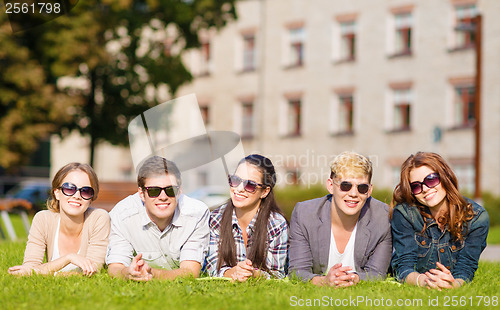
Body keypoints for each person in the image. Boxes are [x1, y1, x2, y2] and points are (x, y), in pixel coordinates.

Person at [289, 151, 392, 286]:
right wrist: (324, 281)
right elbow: (297, 271)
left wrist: (355, 279)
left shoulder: (383, 217)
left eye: (362, 188)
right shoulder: (305, 214)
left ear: (369, 191)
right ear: (331, 186)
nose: (353, 193)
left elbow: (377, 273)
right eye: (345, 186)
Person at [391, 152, 489, 289]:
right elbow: (404, 266)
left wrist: (453, 284)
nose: (425, 189)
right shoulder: (405, 214)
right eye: (416, 186)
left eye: (430, 180)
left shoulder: (476, 217)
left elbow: (467, 266)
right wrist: (424, 281)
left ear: (445, 176)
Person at [106, 156, 209, 281]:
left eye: (170, 190)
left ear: (179, 192)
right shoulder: (122, 214)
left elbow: (190, 272)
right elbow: (115, 267)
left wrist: (151, 273)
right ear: (141, 194)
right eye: (154, 191)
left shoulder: (196, 214)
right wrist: (128, 273)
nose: (163, 197)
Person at [8, 163, 110, 276]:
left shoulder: (99, 218)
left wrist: (45, 273)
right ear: (57, 193)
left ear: (91, 198)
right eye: (69, 188)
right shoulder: (43, 219)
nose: (77, 196)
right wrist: (68, 258)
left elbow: (93, 270)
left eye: (85, 191)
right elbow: (29, 266)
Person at [205, 154, 288, 281]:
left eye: (250, 185)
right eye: (235, 180)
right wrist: (232, 272)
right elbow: (213, 268)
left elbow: (277, 274)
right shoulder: (216, 218)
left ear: (265, 191)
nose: (239, 189)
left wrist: (252, 274)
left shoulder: (276, 223)